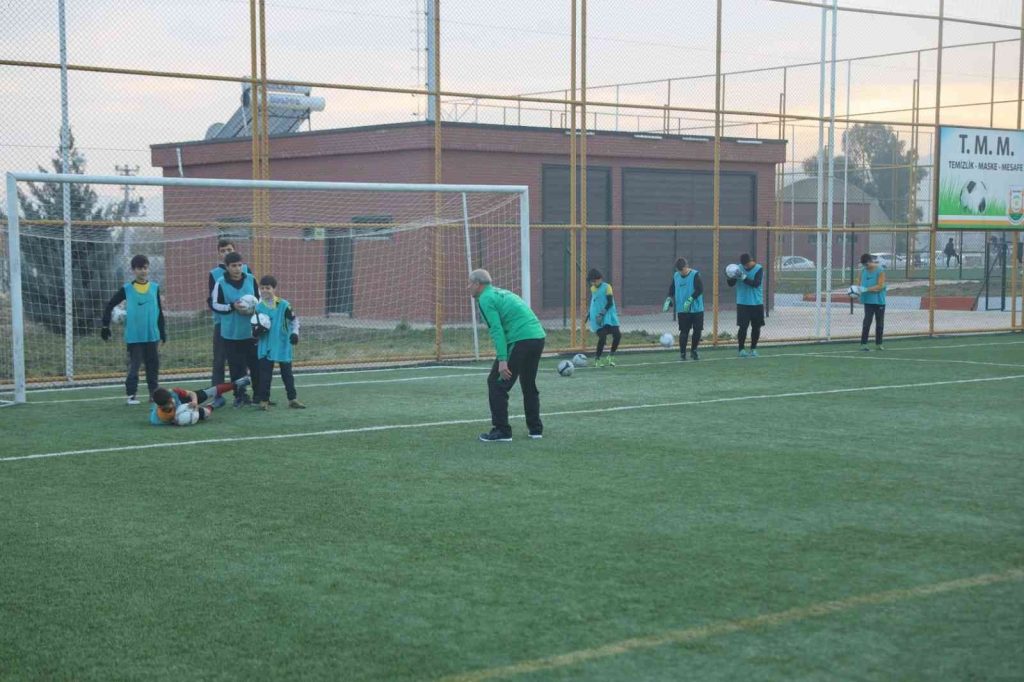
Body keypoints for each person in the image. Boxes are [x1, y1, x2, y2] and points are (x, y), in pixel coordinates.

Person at [469, 269, 546, 442]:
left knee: (496, 384)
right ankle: (535, 430)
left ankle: (502, 431)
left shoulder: (485, 298)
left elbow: (497, 330)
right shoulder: (502, 293)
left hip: (521, 339)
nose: (469, 287)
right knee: (528, 383)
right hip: (538, 337)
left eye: (470, 284)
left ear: (477, 284)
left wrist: (503, 360)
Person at [100, 254, 166, 405]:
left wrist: (162, 332)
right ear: (133, 270)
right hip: (134, 336)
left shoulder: (155, 288)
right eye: (139, 268)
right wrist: (105, 325)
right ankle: (131, 395)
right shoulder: (127, 289)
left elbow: (159, 312)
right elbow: (110, 304)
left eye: (145, 268)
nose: (143, 271)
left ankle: (153, 395)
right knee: (134, 366)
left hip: (152, 335)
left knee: (153, 365)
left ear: (148, 269)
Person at [211, 251, 259, 407]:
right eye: (234, 266)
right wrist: (232, 306)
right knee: (236, 367)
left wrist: (254, 309)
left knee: (255, 365)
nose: (237, 269)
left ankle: (259, 395)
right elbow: (215, 305)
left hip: (250, 332)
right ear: (227, 267)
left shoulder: (251, 280)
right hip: (231, 333)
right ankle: (240, 396)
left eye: (240, 265)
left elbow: (259, 300)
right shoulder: (220, 283)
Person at [253, 276, 305, 410]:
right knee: (265, 375)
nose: (265, 290)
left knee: (287, 374)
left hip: (282, 344)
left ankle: (292, 399)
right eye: (262, 288)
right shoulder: (258, 307)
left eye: (268, 288)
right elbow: (254, 326)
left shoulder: (284, 305)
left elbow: (295, 321)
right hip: (266, 345)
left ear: (274, 289)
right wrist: (255, 333)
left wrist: (295, 333)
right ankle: (264, 401)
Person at [150, 377, 250, 426]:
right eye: (169, 402)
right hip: (184, 412)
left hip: (185, 402)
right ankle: (215, 404)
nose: (172, 401)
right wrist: (176, 421)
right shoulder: (157, 418)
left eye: (171, 399)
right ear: (160, 406)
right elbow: (167, 422)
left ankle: (236, 384)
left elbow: (191, 394)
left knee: (205, 393)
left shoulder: (174, 393)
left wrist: (194, 402)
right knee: (204, 414)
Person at [664, 257, 704, 361]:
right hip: (683, 309)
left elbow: (700, 289)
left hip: (696, 309)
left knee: (697, 331)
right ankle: (682, 353)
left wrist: (690, 299)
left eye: (682, 270)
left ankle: (694, 351)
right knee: (684, 331)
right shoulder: (676, 276)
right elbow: (672, 288)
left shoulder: (695, 274)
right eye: (679, 270)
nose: (681, 272)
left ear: (687, 267)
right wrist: (669, 297)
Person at [726, 253, 764, 358]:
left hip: (757, 303)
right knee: (743, 327)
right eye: (744, 265)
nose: (746, 266)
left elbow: (756, 284)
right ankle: (741, 349)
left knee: (756, 327)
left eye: (747, 264)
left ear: (752, 260)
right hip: (743, 303)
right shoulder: (738, 268)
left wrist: (742, 276)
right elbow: (731, 284)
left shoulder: (759, 269)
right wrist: (730, 276)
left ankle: (753, 349)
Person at [587, 268, 621, 367]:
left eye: (595, 280)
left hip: (608, 316)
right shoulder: (593, 288)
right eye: (591, 281)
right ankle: (597, 359)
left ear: (600, 279)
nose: (593, 283)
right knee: (602, 337)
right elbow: (594, 302)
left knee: (617, 335)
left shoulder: (607, 287)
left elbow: (610, 303)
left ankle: (611, 356)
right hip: (596, 317)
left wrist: (602, 314)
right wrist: (589, 313)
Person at [859, 253, 887, 351]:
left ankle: (879, 344)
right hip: (868, 301)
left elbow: (880, 286)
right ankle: (863, 344)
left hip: (879, 302)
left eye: (867, 265)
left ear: (871, 261)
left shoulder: (880, 271)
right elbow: (859, 285)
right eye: (864, 265)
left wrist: (867, 289)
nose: (866, 267)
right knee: (866, 323)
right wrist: (857, 291)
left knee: (879, 324)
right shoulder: (863, 271)